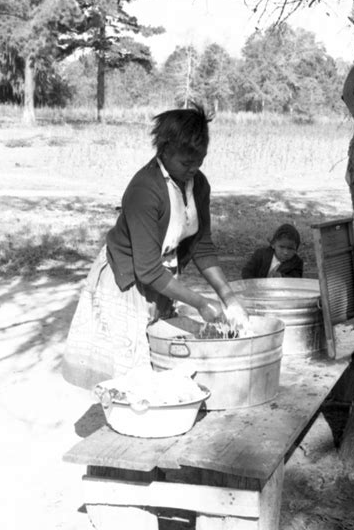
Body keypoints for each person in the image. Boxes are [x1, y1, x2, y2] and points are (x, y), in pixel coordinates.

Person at [62, 104, 248, 390]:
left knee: (156, 365)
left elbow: (202, 246)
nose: (194, 168)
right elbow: (147, 270)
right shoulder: (144, 190)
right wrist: (199, 302)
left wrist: (228, 297)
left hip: (159, 278)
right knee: (130, 376)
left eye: (200, 160)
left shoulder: (197, 185)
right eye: (186, 163)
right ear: (164, 149)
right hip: (127, 281)